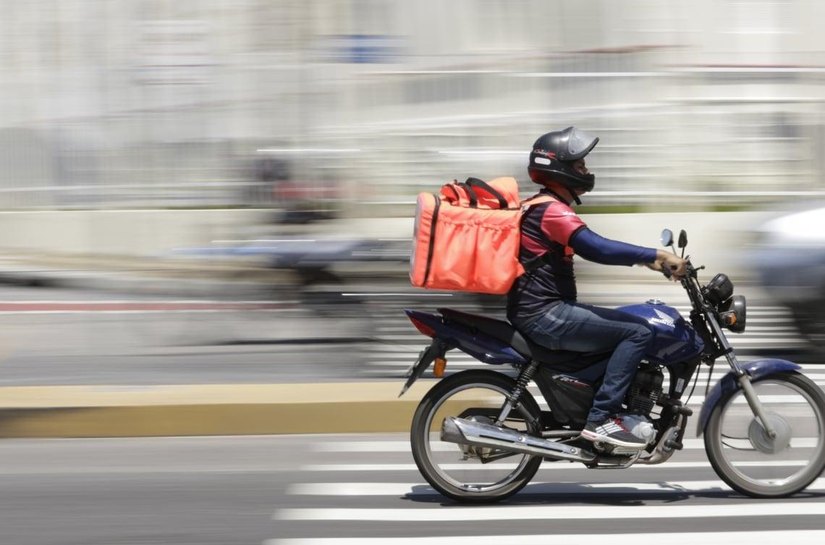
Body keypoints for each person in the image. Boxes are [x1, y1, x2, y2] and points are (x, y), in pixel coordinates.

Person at [507, 126, 686, 449]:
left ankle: (599, 404)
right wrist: (656, 255)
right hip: (545, 314)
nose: (586, 171)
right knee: (638, 332)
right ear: (560, 169)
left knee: (621, 329)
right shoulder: (551, 211)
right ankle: (601, 419)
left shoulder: (543, 206)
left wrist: (648, 262)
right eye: (580, 165)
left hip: (542, 310)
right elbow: (597, 248)